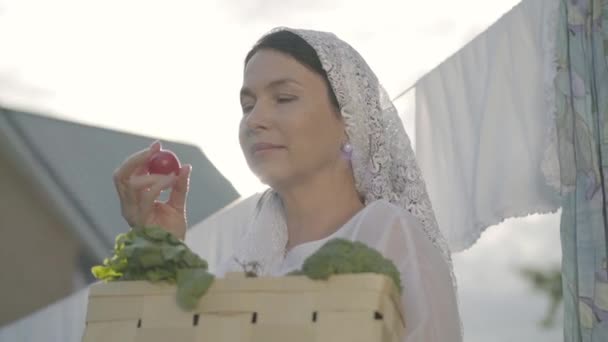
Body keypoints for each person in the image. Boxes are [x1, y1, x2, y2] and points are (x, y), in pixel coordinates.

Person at [112, 27, 463, 341]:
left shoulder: (388, 233)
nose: (255, 120)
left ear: (349, 120)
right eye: (247, 105)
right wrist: (158, 244)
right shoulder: (241, 263)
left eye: (284, 98)